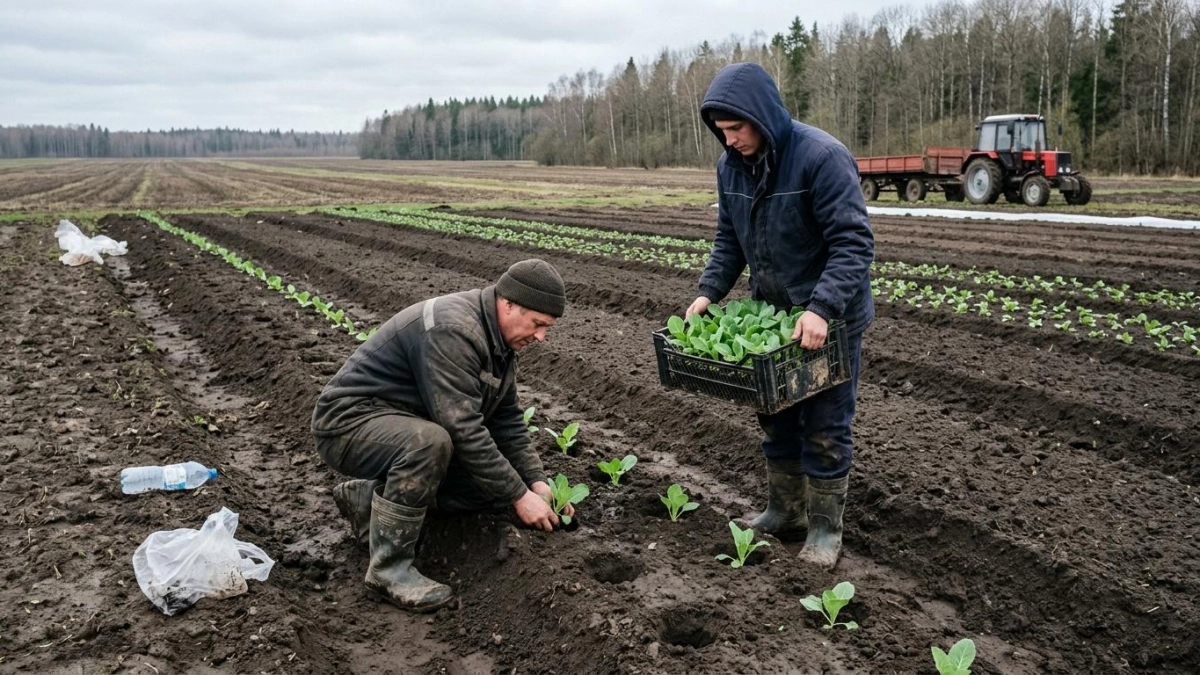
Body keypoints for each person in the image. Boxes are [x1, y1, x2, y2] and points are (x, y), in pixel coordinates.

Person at [686, 62, 874, 569]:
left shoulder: (821, 158)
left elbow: (853, 244)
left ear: (761, 117)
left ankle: (823, 527)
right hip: (775, 316)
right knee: (776, 414)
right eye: (721, 132)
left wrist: (821, 309)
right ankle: (784, 510)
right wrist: (709, 291)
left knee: (827, 423)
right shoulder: (731, 167)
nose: (729, 142)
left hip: (829, 321)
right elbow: (730, 240)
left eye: (737, 129)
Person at [311, 259, 572, 611]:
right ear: (509, 304)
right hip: (348, 423)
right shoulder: (455, 329)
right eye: (538, 324)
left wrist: (536, 483)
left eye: (547, 328)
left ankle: (368, 500)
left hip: (402, 424)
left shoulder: (500, 343)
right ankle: (388, 570)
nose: (541, 337)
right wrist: (518, 495)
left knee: (489, 488)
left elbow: (507, 420)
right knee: (432, 442)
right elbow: (461, 428)